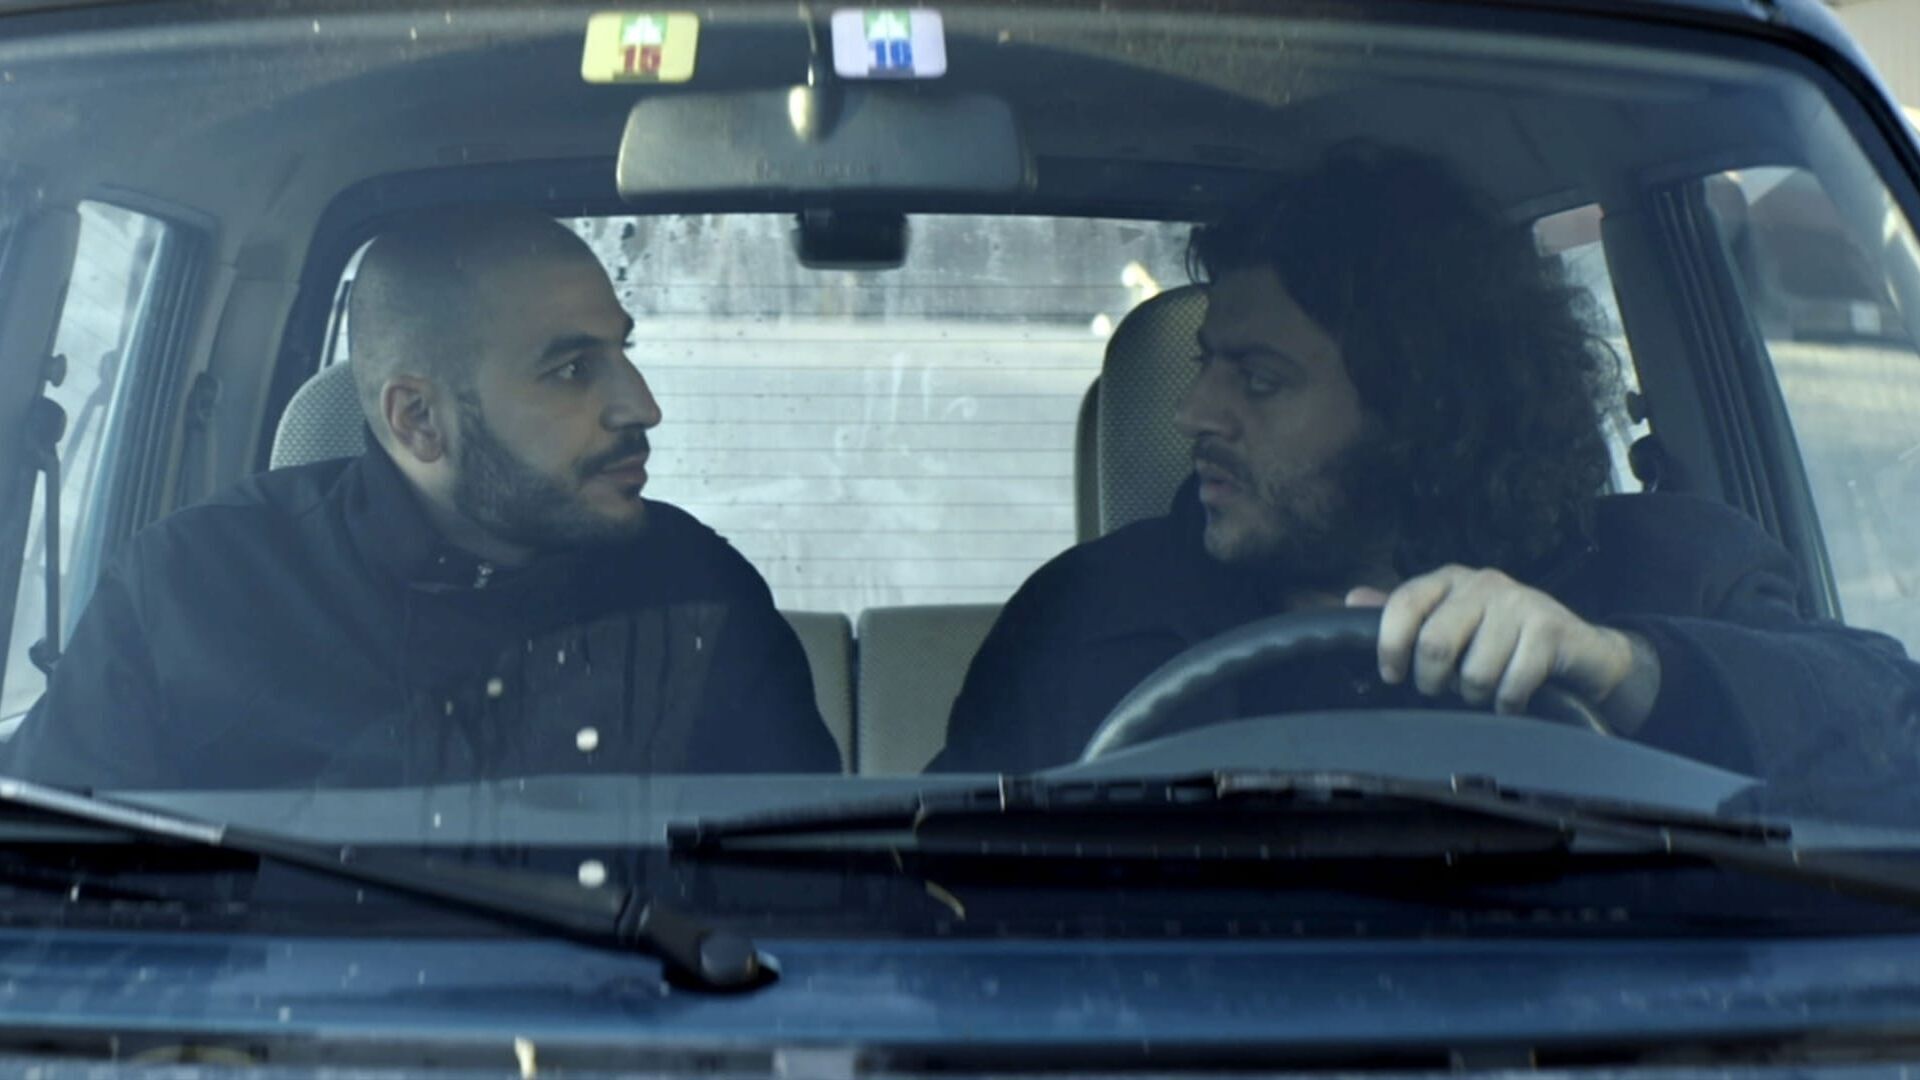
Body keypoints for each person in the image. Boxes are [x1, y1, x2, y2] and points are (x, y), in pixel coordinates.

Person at [931, 147, 1920, 821]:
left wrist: (1623, 668)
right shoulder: (1090, 617)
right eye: (1206, 365)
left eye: (1259, 381)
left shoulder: (1674, 569)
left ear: (1424, 408)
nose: (1194, 413)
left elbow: (1893, 739)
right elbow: (936, 892)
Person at [3, 207, 841, 789]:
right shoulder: (191, 591)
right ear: (419, 420)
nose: (641, 406)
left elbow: (810, 909)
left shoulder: (699, 593)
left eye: (624, 353)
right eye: (572, 370)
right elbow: (51, 898)